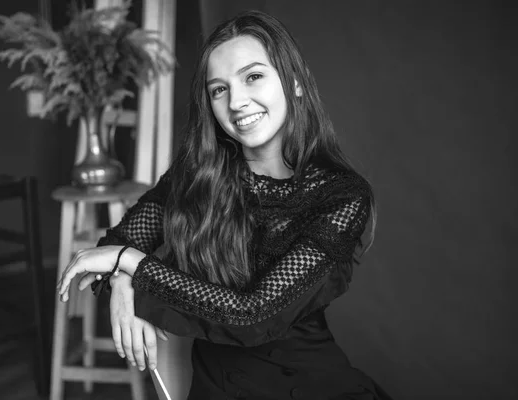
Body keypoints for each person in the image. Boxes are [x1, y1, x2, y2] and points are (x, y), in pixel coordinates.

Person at [57, 10, 392, 400]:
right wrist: (120, 283)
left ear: (295, 84)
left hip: (308, 385)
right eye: (219, 89)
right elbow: (114, 247)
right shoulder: (195, 177)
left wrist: (130, 264)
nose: (236, 102)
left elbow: (253, 316)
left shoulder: (341, 196)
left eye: (253, 77)